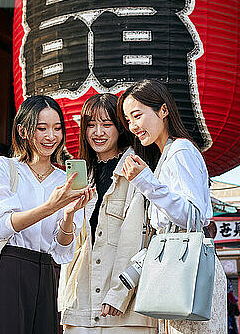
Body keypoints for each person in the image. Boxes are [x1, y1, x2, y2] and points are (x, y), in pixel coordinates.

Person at [0, 95, 93, 334]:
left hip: (48, 274)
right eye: (42, 128)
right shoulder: (2, 168)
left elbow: (62, 250)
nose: (51, 136)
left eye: (57, 128)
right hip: (8, 269)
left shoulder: (64, 180)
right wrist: (50, 207)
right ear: (23, 130)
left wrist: (69, 214)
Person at [118, 79, 228, 334]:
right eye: (128, 120)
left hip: (186, 270)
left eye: (137, 116)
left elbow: (193, 214)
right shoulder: (168, 154)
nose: (134, 126)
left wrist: (144, 182)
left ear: (163, 110)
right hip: (177, 270)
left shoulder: (180, 151)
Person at [60, 93, 157, 334]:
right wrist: (68, 214)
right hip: (80, 308)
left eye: (106, 124)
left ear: (121, 127)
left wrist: (120, 291)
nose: (98, 132)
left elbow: (137, 239)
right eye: (91, 124)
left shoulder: (135, 170)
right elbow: (67, 246)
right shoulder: (81, 176)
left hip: (126, 313)